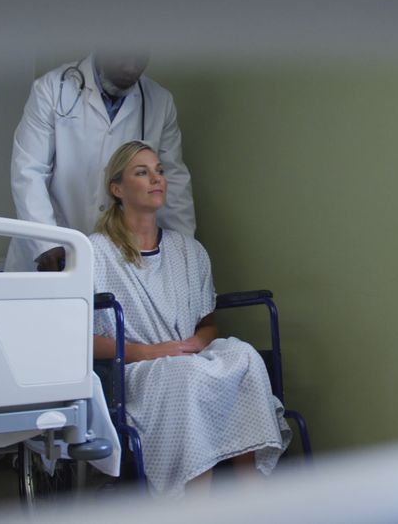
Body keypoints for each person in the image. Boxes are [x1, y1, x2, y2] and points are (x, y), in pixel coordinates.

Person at [91, 141, 290, 496]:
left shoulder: (189, 251)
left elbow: (207, 325)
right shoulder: (95, 253)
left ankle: (253, 499)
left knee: (242, 356)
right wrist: (150, 352)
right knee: (186, 375)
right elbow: (81, 341)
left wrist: (196, 343)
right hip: (136, 370)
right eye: (142, 172)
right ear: (117, 189)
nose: (156, 179)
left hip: (188, 358)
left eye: (159, 171)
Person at [6, 50, 195, 271]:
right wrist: (46, 243)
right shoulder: (52, 89)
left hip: (120, 259)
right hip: (54, 248)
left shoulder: (159, 102)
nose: (130, 68)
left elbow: (174, 184)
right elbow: (28, 171)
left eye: (139, 58)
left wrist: (186, 252)